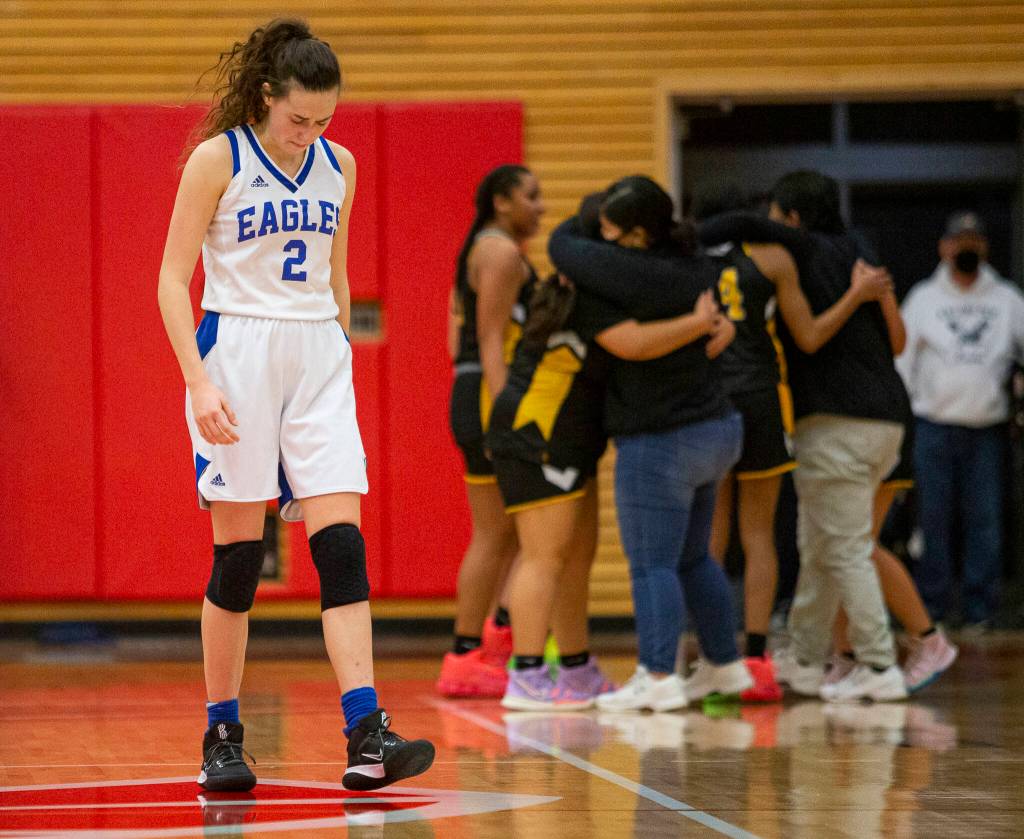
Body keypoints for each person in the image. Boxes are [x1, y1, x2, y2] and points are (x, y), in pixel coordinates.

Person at [157, 18, 434, 792]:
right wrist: (198, 382)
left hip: (316, 353)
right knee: (240, 561)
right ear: (265, 97)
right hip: (236, 354)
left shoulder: (337, 163)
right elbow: (170, 280)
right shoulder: (218, 160)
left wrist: (339, 351)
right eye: (297, 119)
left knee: (341, 548)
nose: (309, 134)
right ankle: (221, 733)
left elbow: (335, 275)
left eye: (323, 121)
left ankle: (366, 732)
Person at [491, 193, 728, 710]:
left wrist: (719, 324)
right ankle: (527, 673)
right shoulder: (593, 293)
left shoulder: (606, 285)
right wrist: (699, 322)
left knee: (577, 558)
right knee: (543, 557)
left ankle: (575, 667)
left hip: (572, 438)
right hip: (538, 434)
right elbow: (635, 344)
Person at [702, 171, 911, 702]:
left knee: (841, 547)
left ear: (791, 219)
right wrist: (870, 294)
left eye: (775, 215)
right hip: (887, 417)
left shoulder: (788, 258)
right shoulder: (859, 248)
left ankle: (879, 663)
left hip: (835, 418)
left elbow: (810, 338)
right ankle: (806, 657)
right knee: (814, 545)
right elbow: (899, 341)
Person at [549, 176, 752, 711]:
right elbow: (718, 333)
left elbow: (634, 345)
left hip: (662, 437)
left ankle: (657, 676)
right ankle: (724, 664)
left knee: (652, 564)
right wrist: (696, 326)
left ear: (636, 234)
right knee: (693, 558)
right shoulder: (696, 266)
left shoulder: (611, 283)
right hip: (718, 428)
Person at [438, 165, 545, 698]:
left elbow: (455, 334)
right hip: (489, 396)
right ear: (503, 202)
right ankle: (475, 649)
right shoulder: (501, 252)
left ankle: (482, 645)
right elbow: (491, 338)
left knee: (500, 534)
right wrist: (505, 413)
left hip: (472, 390)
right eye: (532, 196)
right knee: (524, 532)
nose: (541, 207)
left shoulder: (477, 247)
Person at [896, 211, 1024, 631]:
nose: (966, 248)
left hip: (986, 428)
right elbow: (903, 362)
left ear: (984, 247)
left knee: (984, 520)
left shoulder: (1007, 299)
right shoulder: (922, 299)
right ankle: (931, 606)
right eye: (959, 240)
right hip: (933, 426)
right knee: (932, 518)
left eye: (974, 240)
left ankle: (980, 608)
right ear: (944, 248)